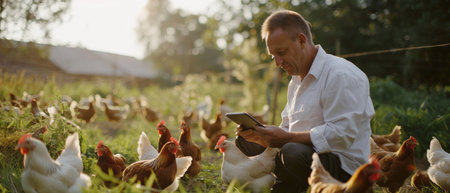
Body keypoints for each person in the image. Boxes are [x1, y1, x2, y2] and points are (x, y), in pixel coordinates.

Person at [235, 10, 375, 193]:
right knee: (247, 143)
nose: (277, 62)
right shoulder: (296, 81)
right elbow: (288, 127)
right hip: (306, 157)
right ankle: (291, 185)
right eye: (273, 56)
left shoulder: (340, 74)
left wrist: (285, 138)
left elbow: (341, 135)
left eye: (281, 52)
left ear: (301, 40)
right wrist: (262, 135)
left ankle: (299, 186)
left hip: (345, 169)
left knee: (292, 151)